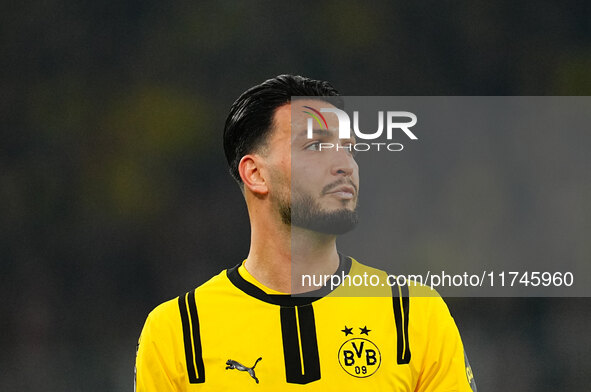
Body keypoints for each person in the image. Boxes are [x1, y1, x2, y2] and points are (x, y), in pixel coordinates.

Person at [135, 74, 477, 391]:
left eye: (349, 147)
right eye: (316, 146)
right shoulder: (177, 332)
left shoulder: (413, 315)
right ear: (255, 174)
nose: (345, 164)